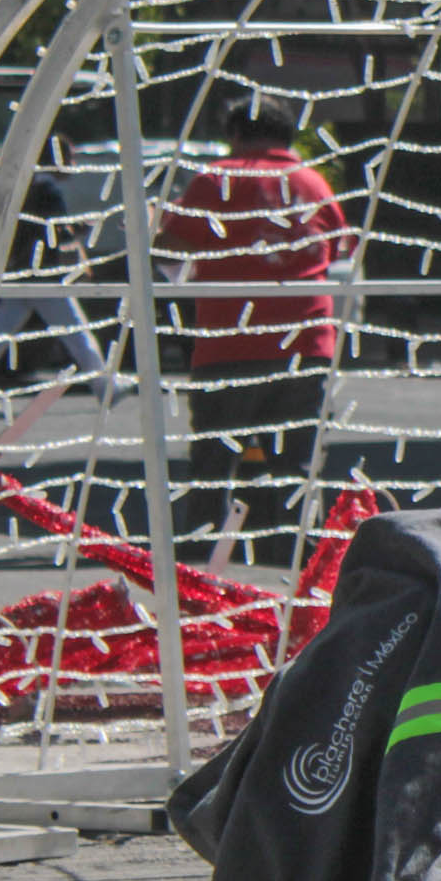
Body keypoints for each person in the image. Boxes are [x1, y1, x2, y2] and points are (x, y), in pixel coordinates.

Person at [156, 99, 355, 564]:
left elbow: (170, 249)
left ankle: (201, 565)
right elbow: (339, 246)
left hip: (229, 342)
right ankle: (302, 568)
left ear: (236, 134)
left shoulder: (217, 179)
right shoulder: (313, 182)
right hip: (305, 342)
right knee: (297, 466)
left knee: (213, 464)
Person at [0, 138, 112, 396]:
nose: (73, 165)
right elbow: (55, 234)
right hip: (43, 274)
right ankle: (104, 385)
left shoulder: (29, 187)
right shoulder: (49, 191)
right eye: (70, 158)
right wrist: (81, 229)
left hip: (21, 270)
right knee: (78, 333)